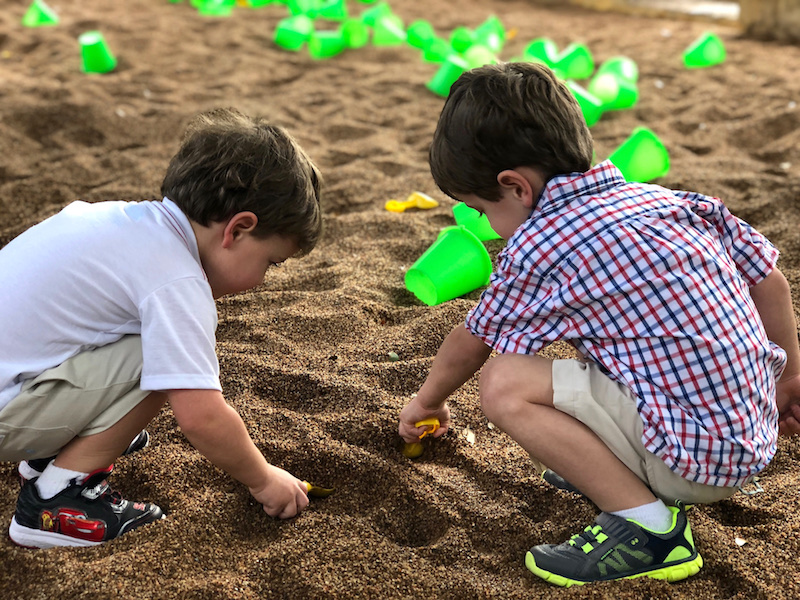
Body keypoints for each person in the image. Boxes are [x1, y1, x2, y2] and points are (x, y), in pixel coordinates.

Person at [398, 62, 800, 587]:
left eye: (480, 211)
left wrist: (427, 401)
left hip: (691, 464)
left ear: (515, 187)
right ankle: (617, 465)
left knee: (505, 383)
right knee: (609, 347)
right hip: (750, 435)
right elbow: (771, 282)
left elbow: (474, 341)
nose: (490, 229)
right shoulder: (673, 202)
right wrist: (788, 378)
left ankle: (651, 530)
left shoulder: (541, 243)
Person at [0, 108, 322, 548]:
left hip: (15, 384)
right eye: (270, 262)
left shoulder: (120, 219)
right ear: (239, 229)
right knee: (163, 362)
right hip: (7, 414)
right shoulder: (177, 277)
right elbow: (201, 417)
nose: (264, 279)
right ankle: (58, 500)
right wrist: (264, 479)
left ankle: (53, 452)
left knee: (148, 343)